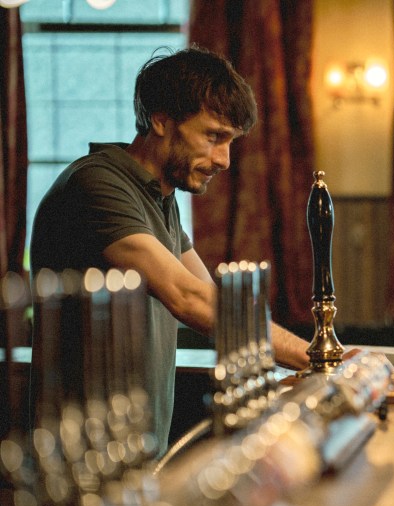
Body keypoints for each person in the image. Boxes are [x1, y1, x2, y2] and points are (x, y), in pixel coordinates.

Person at [30, 46, 310, 453]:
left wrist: (318, 352)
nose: (225, 160)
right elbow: (188, 297)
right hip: (82, 460)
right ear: (160, 119)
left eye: (230, 141)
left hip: (136, 452)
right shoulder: (96, 184)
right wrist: (314, 355)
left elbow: (219, 300)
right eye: (213, 136)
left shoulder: (159, 197)